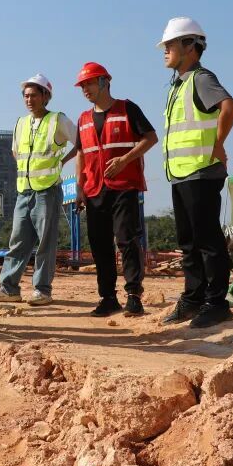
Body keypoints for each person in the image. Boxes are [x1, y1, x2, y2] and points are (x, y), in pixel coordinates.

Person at [158, 17, 233, 329]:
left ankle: (217, 304)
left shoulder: (201, 78)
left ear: (190, 46)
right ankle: (193, 298)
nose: (165, 50)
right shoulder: (178, 85)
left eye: (170, 44)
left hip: (202, 171)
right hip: (182, 173)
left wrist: (218, 144)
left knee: (207, 240)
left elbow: (230, 107)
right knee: (189, 242)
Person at [72, 63, 158, 318]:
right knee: (100, 245)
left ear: (104, 82)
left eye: (89, 83)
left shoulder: (127, 108)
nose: (85, 89)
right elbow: (80, 154)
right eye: (82, 86)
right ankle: (108, 298)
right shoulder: (83, 119)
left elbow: (150, 138)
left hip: (124, 186)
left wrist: (125, 159)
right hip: (94, 189)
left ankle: (133, 296)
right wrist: (79, 188)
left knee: (127, 240)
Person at [0, 75, 76, 305]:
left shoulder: (58, 120)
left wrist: (62, 161)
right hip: (24, 190)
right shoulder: (21, 123)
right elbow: (16, 152)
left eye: (34, 95)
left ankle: (42, 290)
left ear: (46, 96)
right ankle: (9, 288)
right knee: (17, 240)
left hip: (48, 190)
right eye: (26, 96)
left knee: (46, 242)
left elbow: (81, 142)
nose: (29, 100)